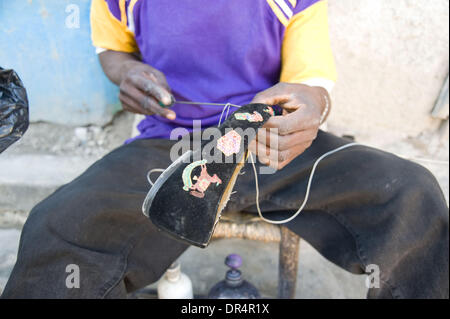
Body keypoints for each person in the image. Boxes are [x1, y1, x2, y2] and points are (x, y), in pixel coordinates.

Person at [3, 0, 448, 298]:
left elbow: (312, 85)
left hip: (272, 145)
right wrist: (127, 73)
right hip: (170, 146)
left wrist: (314, 105)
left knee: (412, 196)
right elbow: (111, 50)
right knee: (57, 229)